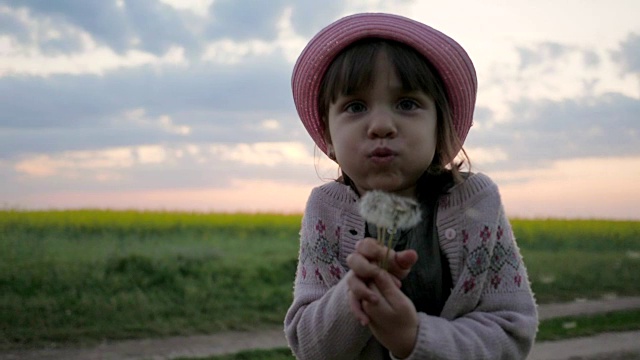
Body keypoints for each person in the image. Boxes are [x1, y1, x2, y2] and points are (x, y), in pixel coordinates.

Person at [284, 12, 538, 360]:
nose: (382, 125)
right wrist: (352, 296)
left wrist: (414, 337)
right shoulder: (327, 209)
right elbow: (310, 347)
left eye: (407, 104)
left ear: (440, 126)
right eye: (355, 106)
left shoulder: (475, 204)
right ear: (328, 138)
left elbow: (511, 333)